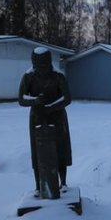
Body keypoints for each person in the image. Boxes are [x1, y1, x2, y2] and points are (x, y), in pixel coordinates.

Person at [18, 47, 72, 197]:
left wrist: (51, 107)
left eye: (44, 65)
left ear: (49, 62)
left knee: (60, 148)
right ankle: (38, 185)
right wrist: (35, 100)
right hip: (37, 116)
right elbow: (21, 99)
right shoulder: (28, 77)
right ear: (33, 63)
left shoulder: (58, 76)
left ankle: (64, 183)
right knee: (37, 150)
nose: (42, 68)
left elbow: (67, 98)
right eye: (38, 65)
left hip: (57, 116)